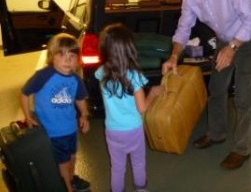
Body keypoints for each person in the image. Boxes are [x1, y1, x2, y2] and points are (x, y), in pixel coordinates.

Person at [162, 0, 251, 170]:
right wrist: (173, 57)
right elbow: (183, 28)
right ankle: (217, 133)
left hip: (247, 38)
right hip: (225, 40)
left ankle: (242, 149)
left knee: (244, 95)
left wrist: (233, 48)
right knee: (217, 88)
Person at [95, 23, 163, 192]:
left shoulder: (101, 72)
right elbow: (142, 108)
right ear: (129, 49)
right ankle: (140, 189)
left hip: (112, 130)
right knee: (138, 163)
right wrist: (153, 94)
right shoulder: (134, 76)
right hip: (133, 129)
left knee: (117, 168)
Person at [20, 33, 91, 192]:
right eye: (62, 54)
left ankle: (71, 180)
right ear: (52, 56)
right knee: (62, 163)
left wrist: (85, 115)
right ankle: (66, 187)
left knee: (72, 158)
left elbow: (80, 99)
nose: (67, 60)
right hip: (52, 132)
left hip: (70, 129)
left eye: (72, 55)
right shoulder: (44, 75)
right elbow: (24, 93)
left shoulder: (75, 79)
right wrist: (28, 116)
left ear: (77, 59)